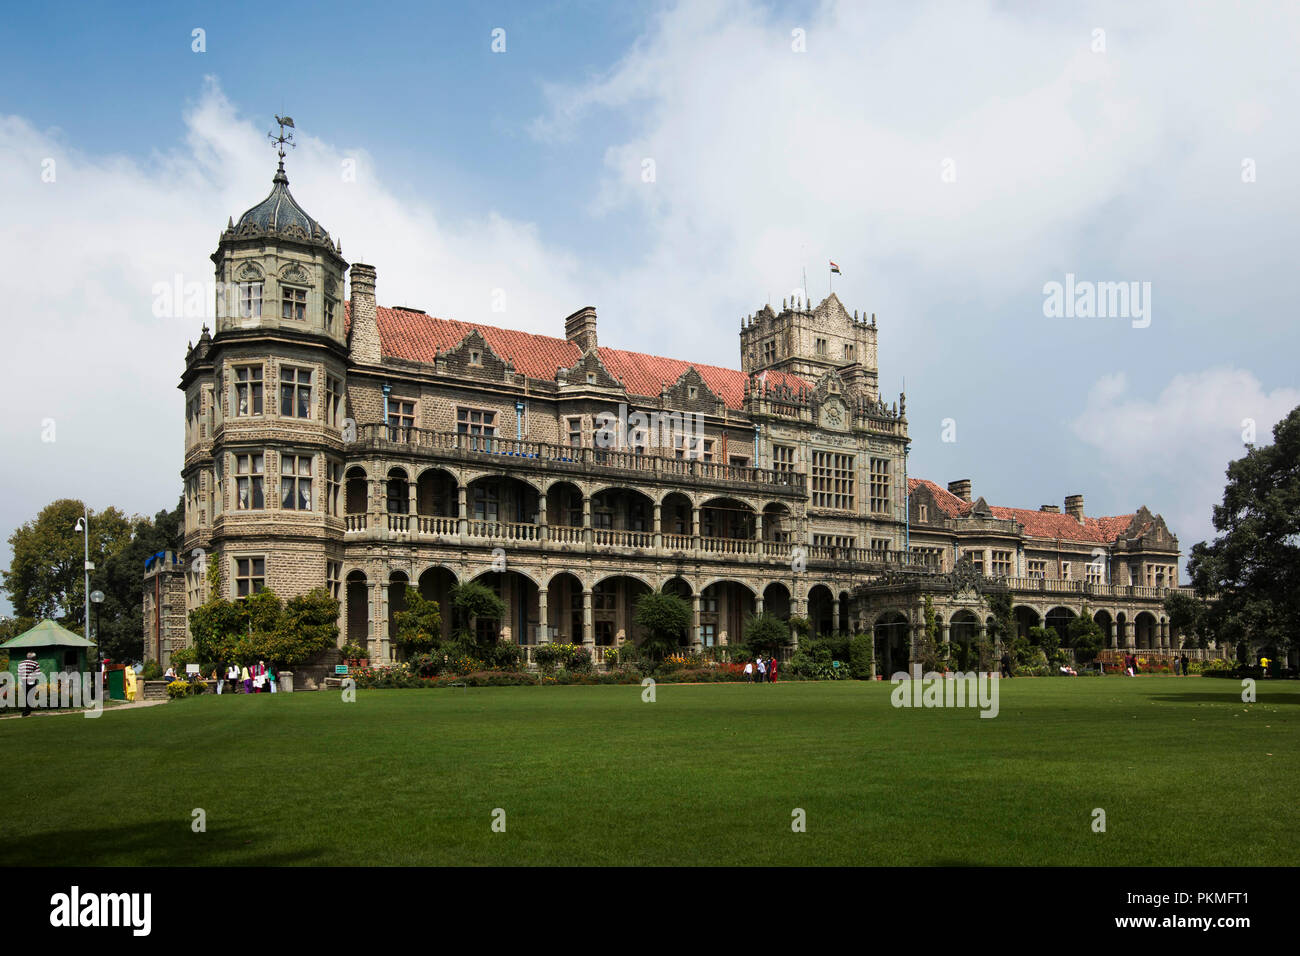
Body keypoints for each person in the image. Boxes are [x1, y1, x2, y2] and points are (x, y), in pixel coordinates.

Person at [19, 651, 39, 717]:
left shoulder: (21, 663)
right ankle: (27, 712)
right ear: (33, 657)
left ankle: (27, 711)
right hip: (31, 681)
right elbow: (37, 673)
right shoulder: (35, 663)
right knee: (30, 696)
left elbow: (19, 673)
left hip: (23, 681)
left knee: (27, 696)